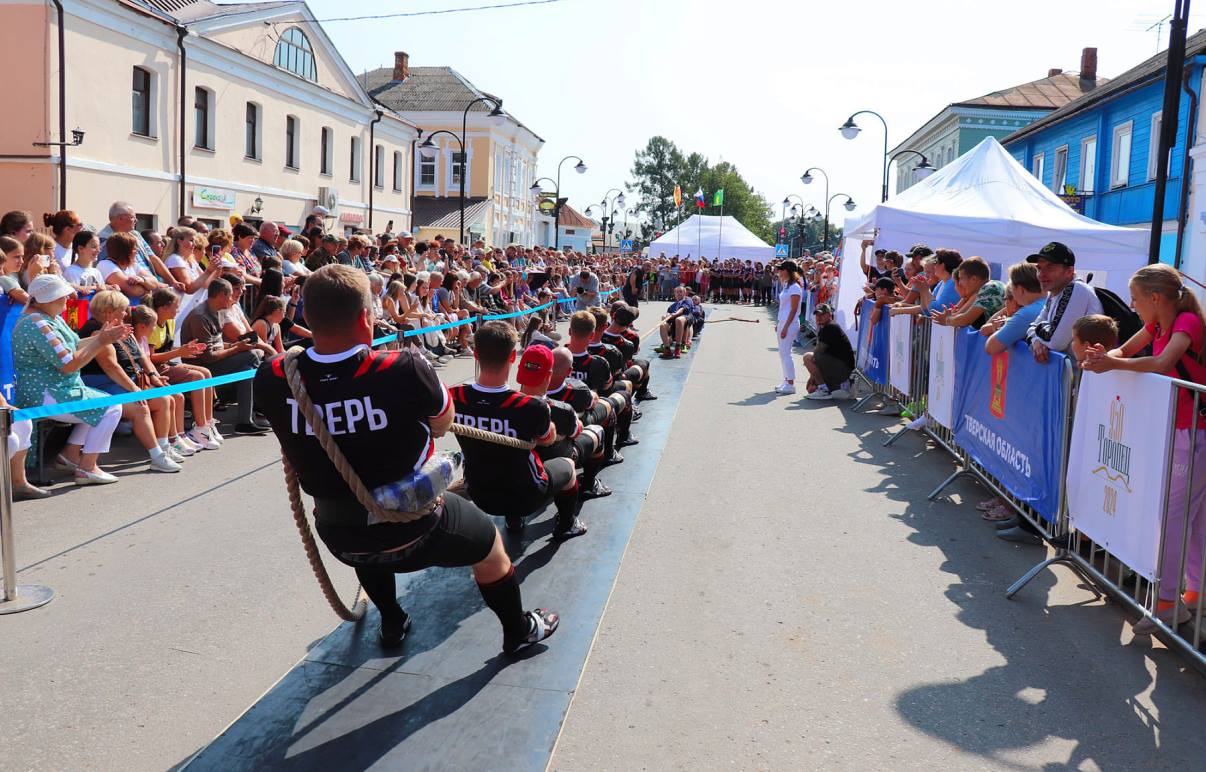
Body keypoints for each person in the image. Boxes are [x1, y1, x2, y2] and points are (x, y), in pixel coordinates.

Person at [254, 265, 559, 652]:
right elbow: (442, 423)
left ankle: (393, 620)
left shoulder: (273, 377)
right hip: (414, 528)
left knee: (365, 540)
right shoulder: (402, 368)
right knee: (491, 547)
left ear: (308, 317)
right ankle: (518, 630)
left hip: (337, 532)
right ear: (366, 318)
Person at [1082, 264, 1206, 634]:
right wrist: (1105, 356)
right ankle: (1194, 594)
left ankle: (1168, 603)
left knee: (1174, 517)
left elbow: (1163, 362)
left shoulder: (1187, 324)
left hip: (1196, 432)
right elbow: (1127, 348)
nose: (1132, 306)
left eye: (1135, 299)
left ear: (1154, 298)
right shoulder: (1158, 323)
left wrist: (1110, 364)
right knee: (1193, 518)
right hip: (1181, 428)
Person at [452, 321, 587, 539]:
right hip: (526, 496)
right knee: (569, 466)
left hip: (479, 493)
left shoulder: (453, 397)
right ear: (513, 357)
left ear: (476, 355)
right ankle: (567, 524)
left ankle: (514, 521)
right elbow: (547, 438)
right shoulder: (532, 407)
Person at [11, 275, 126, 485]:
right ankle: (87, 468)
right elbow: (69, 364)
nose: (68, 299)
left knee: (105, 405)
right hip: (46, 393)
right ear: (49, 299)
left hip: (54, 389)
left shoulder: (45, 318)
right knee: (111, 407)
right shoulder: (38, 324)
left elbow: (73, 346)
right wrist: (101, 341)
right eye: (63, 296)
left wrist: (103, 337)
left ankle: (71, 456)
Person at [77, 291, 184, 472]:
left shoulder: (120, 327)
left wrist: (152, 375)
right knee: (140, 408)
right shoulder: (97, 332)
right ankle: (156, 456)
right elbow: (111, 367)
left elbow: (141, 355)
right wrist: (134, 389)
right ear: (109, 312)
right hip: (102, 383)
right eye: (123, 309)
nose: (127, 313)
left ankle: (164, 447)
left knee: (164, 399)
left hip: (123, 381)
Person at [179, 278, 269, 435]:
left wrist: (234, 347)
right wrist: (236, 350)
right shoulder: (200, 317)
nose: (232, 299)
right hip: (202, 366)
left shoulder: (216, 312)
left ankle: (245, 421)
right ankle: (248, 403)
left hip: (214, 360)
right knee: (253, 356)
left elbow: (218, 345)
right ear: (221, 295)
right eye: (230, 295)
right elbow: (207, 357)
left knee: (247, 368)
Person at [1026, 241, 1103, 363]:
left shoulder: (1077, 289)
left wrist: (1037, 329)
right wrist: (1036, 341)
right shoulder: (1053, 294)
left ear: (1069, 271)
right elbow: (1031, 327)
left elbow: (1055, 342)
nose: (1041, 274)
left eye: (1050, 267)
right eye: (1039, 268)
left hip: (1085, 377)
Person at [983, 263, 1046, 355]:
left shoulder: (1027, 313)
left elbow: (991, 347)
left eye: (1012, 287)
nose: (1011, 291)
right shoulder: (1051, 301)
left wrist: (1000, 326)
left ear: (1020, 289)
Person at [932, 257, 1006, 330]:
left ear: (973, 279)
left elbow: (966, 319)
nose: (960, 283)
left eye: (961, 278)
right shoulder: (989, 287)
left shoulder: (990, 288)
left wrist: (947, 320)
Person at [803, 303, 855, 400]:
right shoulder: (825, 327)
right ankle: (827, 387)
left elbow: (817, 354)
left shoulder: (831, 327)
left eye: (822, 315)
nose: (818, 317)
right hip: (840, 366)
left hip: (843, 370)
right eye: (817, 315)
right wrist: (813, 377)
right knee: (813, 358)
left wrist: (812, 379)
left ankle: (824, 390)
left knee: (807, 357)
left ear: (829, 315)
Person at [774, 260, 804, 395]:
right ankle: (786, 381)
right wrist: (779, 323)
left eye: (782, 269)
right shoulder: (787, 285)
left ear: (788, 271)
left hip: (790, 324)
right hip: (784, 322)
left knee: (786, 354)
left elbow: (793, 309)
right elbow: (784, 307)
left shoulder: (795, 288)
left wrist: (785, 326)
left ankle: (791, 384)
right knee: (782, 353)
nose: (779, 271)